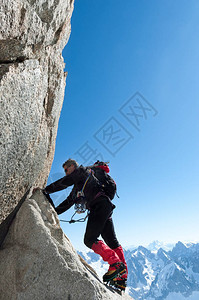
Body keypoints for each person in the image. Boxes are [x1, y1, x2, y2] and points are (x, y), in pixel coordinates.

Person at [43, 158, 128, 290]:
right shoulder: (80, 184)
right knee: (112, 242)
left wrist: (46, 190)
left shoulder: (82, 172)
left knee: (89, 240)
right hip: (105, 207)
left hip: (99, 206)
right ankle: (121, 279)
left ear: (73, 166)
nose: (65, 173)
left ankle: (115, 264)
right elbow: (68, 202)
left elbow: (64, 183)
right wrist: (52, 212)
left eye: (66, 169)